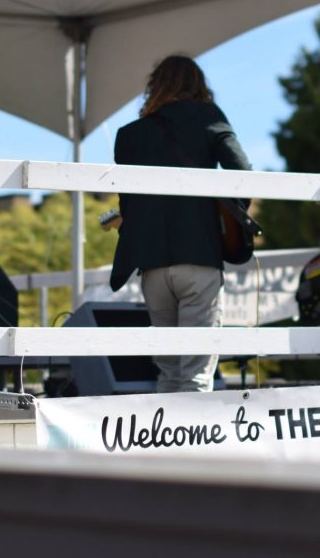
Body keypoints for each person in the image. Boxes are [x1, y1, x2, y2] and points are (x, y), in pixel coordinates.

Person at [109, 55, 251, 392]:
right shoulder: (208, 118)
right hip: (199, 255)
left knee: (168, 371)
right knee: (196, 373)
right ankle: (194, 447)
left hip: (153, 263)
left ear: (154, 87)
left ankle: (166, 445)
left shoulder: (129, 135)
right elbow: (243, 172)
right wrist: (227, 217)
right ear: (199, 85)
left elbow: (127, 203)